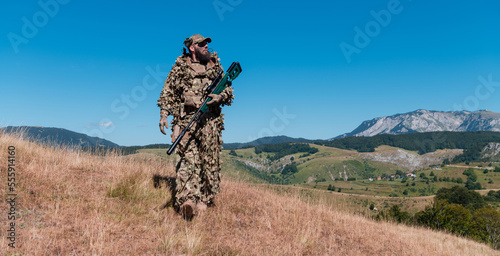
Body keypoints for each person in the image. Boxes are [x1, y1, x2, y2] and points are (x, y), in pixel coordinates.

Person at [157, 34, 234, 219]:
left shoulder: (215, 66)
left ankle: (204, 199)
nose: (206, 46)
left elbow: (228, 90)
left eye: (207, 43)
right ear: (192, 47)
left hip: (210, 122)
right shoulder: (180, 67)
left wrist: (220, 97)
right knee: (187, 161)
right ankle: (187, 200)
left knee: (209, 162)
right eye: (202, 44)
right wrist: (163, 115)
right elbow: (169, 92)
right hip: (186, 121)